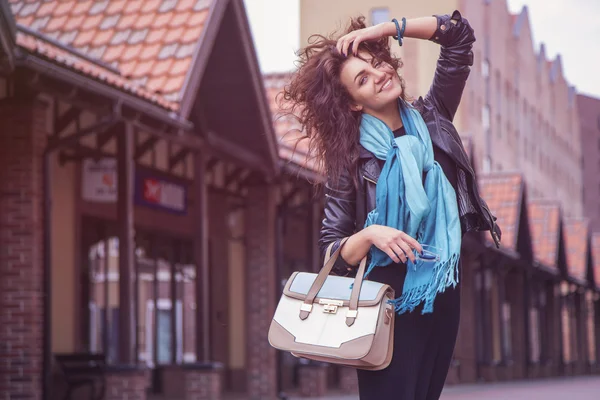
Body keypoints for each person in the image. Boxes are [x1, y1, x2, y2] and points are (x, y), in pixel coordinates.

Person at [282, 9, 502, 400]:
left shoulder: (433, 116)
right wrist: (370, 234)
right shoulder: (349, 159)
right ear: (353, 104)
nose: (379, 74)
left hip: (440, 292)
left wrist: (386, 29)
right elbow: (333, 249)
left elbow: (459, 37)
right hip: (382, 302)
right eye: (362, 78)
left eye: (376, 62)